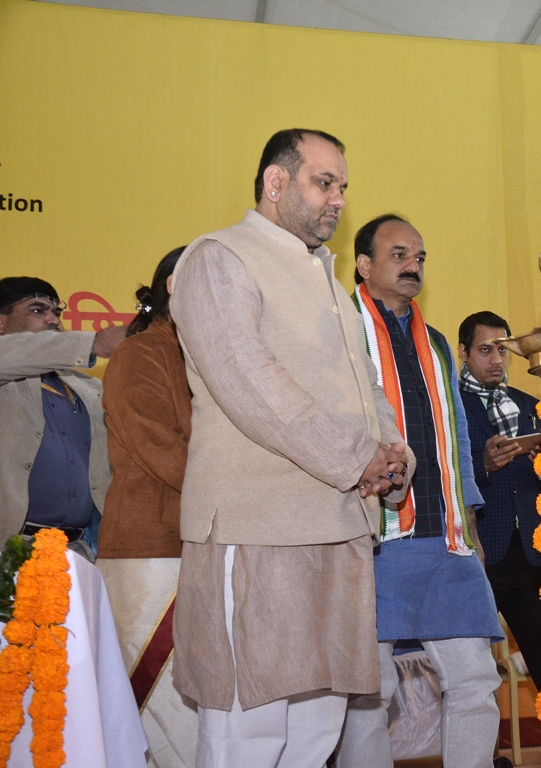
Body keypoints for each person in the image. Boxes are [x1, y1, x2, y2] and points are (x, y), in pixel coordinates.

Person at [168, 129, 414, 768]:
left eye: (343, 186)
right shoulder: (220, 257)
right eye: (323, 182)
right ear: (275, 183)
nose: (338, 199)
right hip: (257, 527)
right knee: (247, 728)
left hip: (338, 524)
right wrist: (355, 457)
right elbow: (249, 381)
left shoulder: (327, 280)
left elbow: (365, 387)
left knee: (317, 727)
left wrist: (394, 457)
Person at [338, 215, 501, 768]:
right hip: (374, 536)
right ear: (364, 265)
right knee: (369, 691)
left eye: (420, 257)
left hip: (445, 536)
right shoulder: (341, 330)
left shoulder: (435, 342)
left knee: (475, 680)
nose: (413, 266)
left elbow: (457, 432)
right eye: (399, 255)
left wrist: (470, 520)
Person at [98, 246, 199, 767]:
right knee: (158, 706)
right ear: (174, 290)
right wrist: (240, 493)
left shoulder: (206, 357)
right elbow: (160, 448)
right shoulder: (140, 354)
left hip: (202, 543)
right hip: (149, 552)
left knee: (196, 706)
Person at [456, 310, 541, 694]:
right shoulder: (449, 406)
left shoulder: (532, 406)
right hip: (479, 552)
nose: (496, 359)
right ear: (463, 352)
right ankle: (481, 737)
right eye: (485, 350)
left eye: (503, 350)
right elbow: (438, 472)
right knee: (471, 672)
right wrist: (482, 465)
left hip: (531, 553)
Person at [0, 276, 126, 559]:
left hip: (79, 550)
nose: (53, 320)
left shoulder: (90, 387)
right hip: (7, 549)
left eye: (56, 312)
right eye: (37, 310)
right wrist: (95, 343)